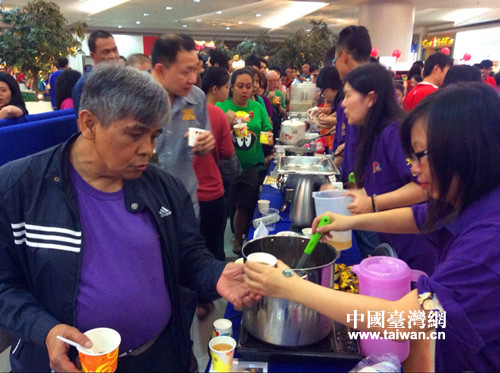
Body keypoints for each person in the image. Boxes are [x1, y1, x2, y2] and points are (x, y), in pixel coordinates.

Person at [0, 63, 254, 372]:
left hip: (159, 357)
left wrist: (217, 274)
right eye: (135, 134)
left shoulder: (164, 189)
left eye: (155, 135)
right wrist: (44, 329)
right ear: (89, 123)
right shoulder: (19, 188)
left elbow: (188, 256)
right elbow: (4, 285)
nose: (148, 149)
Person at [245, 82, 500, 373]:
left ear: (466, 148)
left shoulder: (489, 243)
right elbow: (419, 216)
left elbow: (403, 320)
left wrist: (291, 286)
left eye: (420, 155)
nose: (414, 169)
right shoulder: (469, 196)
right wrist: (351, 221)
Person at [340, 63, 433, 272]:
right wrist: (352, 195)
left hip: (416, 249)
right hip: (394, 245)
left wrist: (372, 203)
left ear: (371, 98)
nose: (343, 104)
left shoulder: (394, 132)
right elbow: (384, 184)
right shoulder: (373, 133)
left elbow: (423, 187)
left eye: (347, 96)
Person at [150, 33, 215, 219]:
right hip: (147, 202)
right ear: (161, 70)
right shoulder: (133, 98)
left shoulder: (197, 98)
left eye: (196, 70)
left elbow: (204, 140)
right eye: (186, 72)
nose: (193, 79)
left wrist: (205, 144)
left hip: (185, 199)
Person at [216, 68, 273, 254]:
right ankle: (217, 245)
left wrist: (266, 142)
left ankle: (238, 240)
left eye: (248, 86)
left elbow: (267, 129)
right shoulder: (221, 106)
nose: (245, 91)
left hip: (251, 167)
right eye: (240, 86)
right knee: (224, 208)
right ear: (231, 87)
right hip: (226, 167)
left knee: (245, 206)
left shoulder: (257, 107)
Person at [72, 30, 120, 115]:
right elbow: (81, 122)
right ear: (93, 56)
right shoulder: (85, 84)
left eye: (115, 50)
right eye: (106, 52)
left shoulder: (118, 78)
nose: (113, 56)